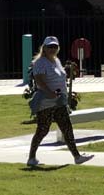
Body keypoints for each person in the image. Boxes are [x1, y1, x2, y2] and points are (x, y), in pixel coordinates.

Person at [26, 36, 94, 167]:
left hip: (59, 100)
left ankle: (77, 156)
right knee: (43, 130)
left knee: (66, 127)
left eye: (55, 46)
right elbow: (39, 80)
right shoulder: (40, 62)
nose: (52, 49)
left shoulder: (56, 60)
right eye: (50, 47)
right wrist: (49, 93)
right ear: (44, 48)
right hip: (46, 101)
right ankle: (31, 157)